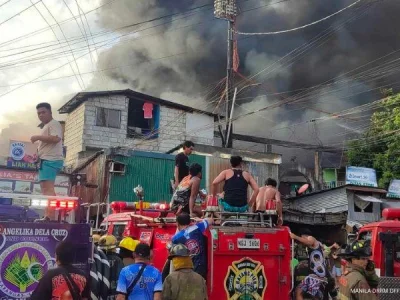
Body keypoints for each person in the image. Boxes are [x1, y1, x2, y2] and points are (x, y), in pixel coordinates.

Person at [290, 229, 334, 300]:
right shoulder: (318, 243)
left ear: (304, 236)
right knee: (299, 291)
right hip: (314, 274)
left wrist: (295, 237)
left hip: (317, 274)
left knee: (311, 294)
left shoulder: (311, 238)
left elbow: (308, 242)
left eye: (302, 237)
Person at [170, 213, 212, 280]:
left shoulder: (175, 238)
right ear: (189, 222)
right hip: (201, 268)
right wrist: (200, 220)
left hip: (187, 271)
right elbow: (210, 220)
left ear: (177, 224)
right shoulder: (198, 227)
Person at [98, 234, 124, 299]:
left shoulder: (98, 258)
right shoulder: (118, 260)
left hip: (100, 292)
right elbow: (120, 277)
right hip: (113, 293)